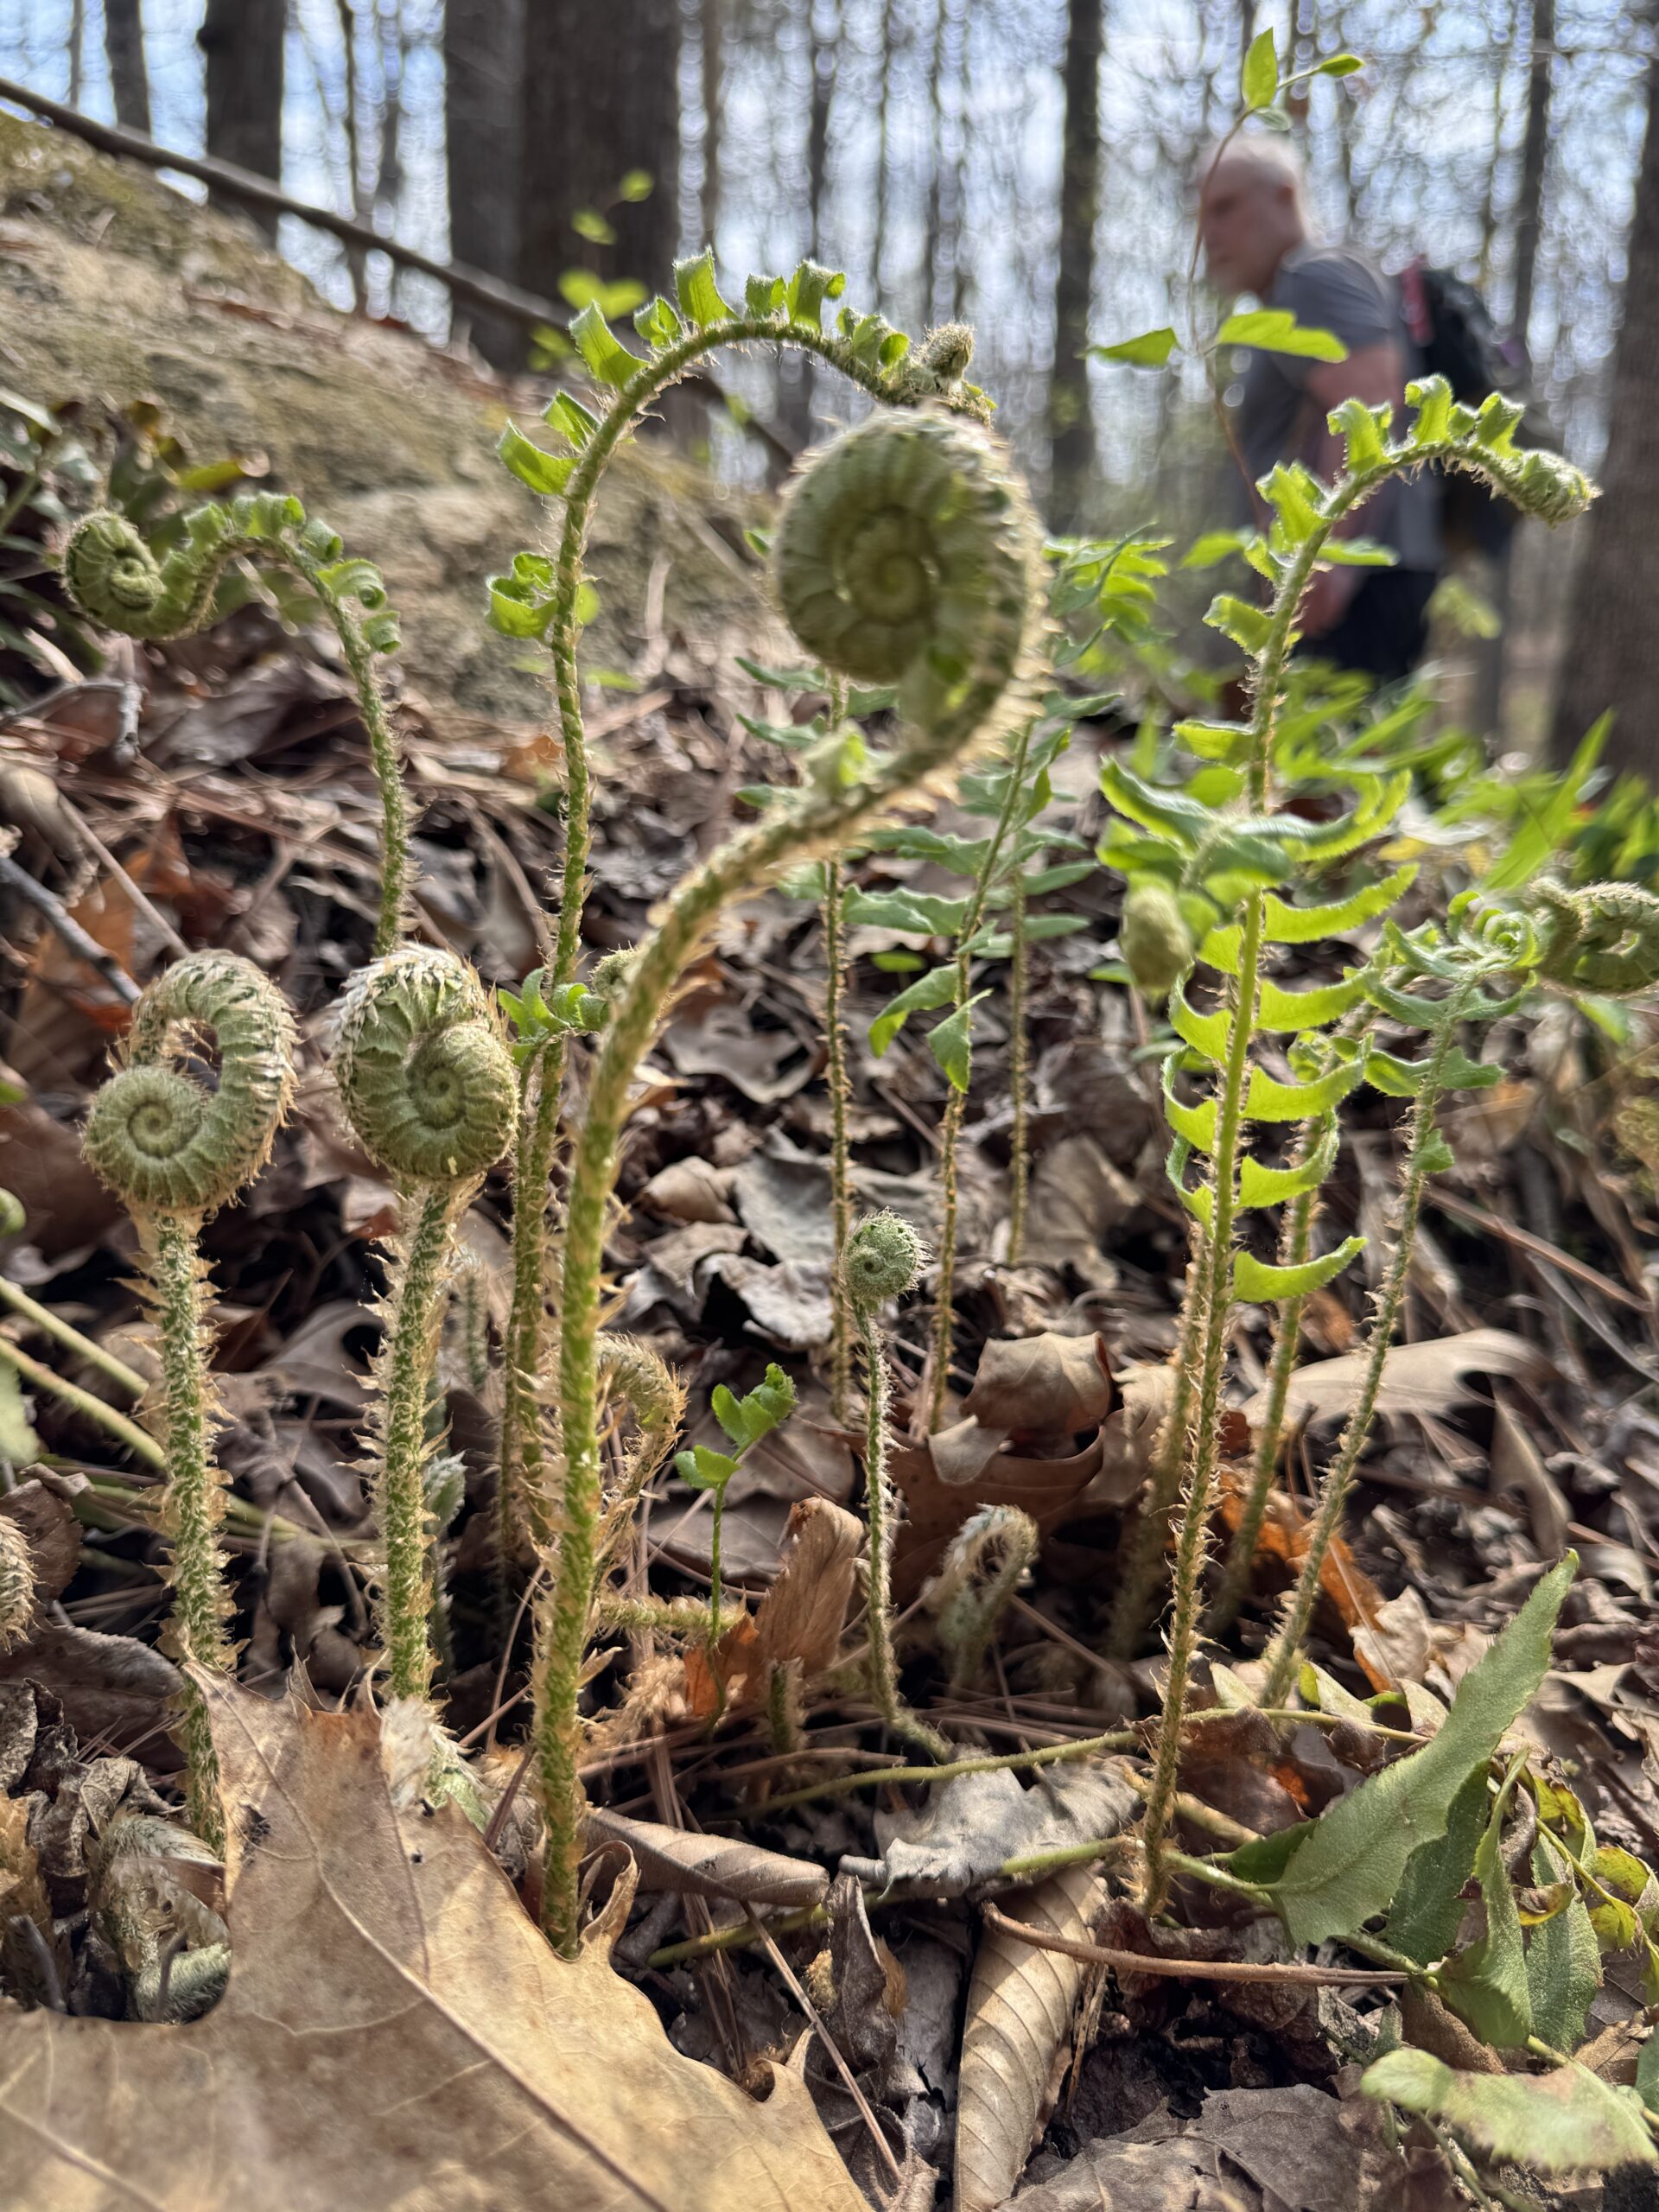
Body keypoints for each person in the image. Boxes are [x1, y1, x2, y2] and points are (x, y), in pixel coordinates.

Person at [1197, 134, 1441, 683]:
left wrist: (1327, 559)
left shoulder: (1310, 277)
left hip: (1350, 586)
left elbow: (1369, 403)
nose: (1209, 232)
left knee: (1334, 760)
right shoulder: (1298, 290)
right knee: (1336, 761)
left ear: (1284, 198)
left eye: (1226, 207)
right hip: (1359, 576)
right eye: (1203, 214)